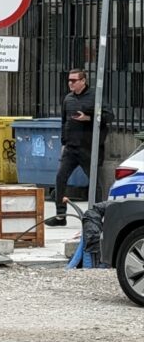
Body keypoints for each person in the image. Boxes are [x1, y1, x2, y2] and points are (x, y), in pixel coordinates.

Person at [46, 68, 113, 226]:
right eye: (69, 80)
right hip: (71, 147)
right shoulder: (68, 99)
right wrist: (64, 143)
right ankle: (60, 216)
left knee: (94, 182)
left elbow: (109, 116)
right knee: (60, 178)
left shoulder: (94, 97)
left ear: (83, 81)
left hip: (88, 147)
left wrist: (88, 118)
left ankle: (97, 216)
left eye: (74, 80)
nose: (70, 83)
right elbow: (64, 122)